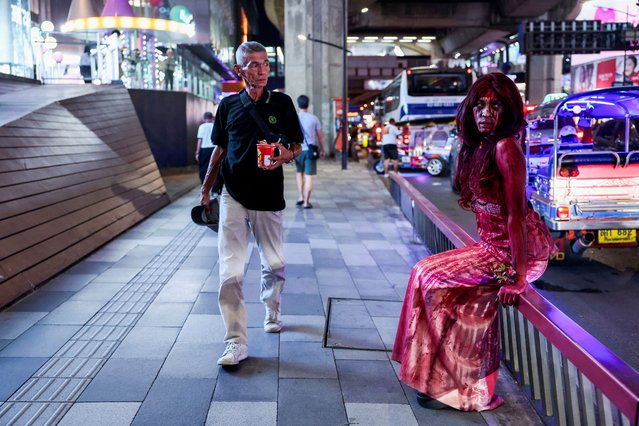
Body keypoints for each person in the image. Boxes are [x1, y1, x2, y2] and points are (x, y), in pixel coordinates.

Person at [392, 73, 557, 411]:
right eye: (480, 105)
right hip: (491, 249)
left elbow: (516, 217)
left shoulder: (506, 148)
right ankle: (435, 380)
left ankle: (458, 387)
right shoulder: (480, 146)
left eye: (495, 106)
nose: (485, 113)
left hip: (511, 254)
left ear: (508, 110)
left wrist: (519, 277)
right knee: (423, 272)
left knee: (434, 279)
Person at [199, 41, 303, 366]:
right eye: (253, 65)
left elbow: (297, 146)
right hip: (233, 195)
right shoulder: (228, 106)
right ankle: (235, 341)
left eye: (265, 64)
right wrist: (206, 190)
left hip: (269, 196)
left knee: (274, 264)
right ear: (240, 70)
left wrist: (284, 155)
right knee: (230, 270)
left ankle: (272, 308)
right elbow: (218, 150)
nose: (261, 70)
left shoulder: (282, 103)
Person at [295, 94, 325, 209]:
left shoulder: (295, 117)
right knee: (308, 177)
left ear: (298, 104)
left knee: (299, 174)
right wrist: (322, 149)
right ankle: (307, 203)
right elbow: (320, 136)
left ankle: (300, 197)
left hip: (298, 150)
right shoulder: (314, 118)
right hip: (310, 151)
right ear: (308, 104)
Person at [196, 112, 215, 184]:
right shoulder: (215, 126)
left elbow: (200, 140)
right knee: (215, 168)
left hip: (204, 150)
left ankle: (204, 186)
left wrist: (197, 152)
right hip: (214, 149)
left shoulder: (202, 127)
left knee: (204, 168)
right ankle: (215, 190)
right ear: (212, 118)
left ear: (204, 118)